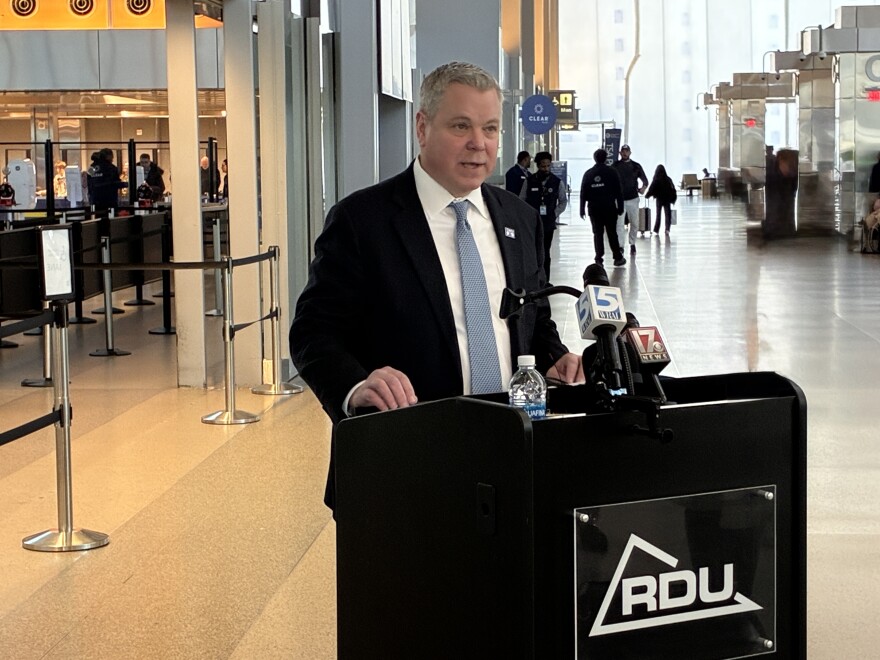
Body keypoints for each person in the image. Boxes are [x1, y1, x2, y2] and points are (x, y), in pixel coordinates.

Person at [290, 61, 583, 510]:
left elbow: (532, 317)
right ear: (422, 128)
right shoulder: (362, 221)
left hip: (511, 461)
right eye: (461, 126)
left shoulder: (519, 219)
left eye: (490, 128)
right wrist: (355, 386)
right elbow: (313, 332)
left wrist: (555, 358)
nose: (478, 143)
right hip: (403, 467)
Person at [525, 151, 567, 280]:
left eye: (548, 166)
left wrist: (554, 214)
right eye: (543, 166)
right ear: (538, 165)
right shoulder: (529, 181)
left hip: (548, 223)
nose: (546, 169)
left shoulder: (557, 182)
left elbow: (563, 201)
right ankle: (533, 279)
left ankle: (545, 279)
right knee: (533, 252)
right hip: (532, 223)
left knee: (545, 251)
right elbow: (522, 200)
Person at [580, 148, 625, 267]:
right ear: (606, 158)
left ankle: (599, 258)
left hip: (594, 208)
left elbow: (583, 192)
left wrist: (582, 209)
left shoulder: (588, 173)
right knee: (612, 232)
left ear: (594, 158)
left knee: (597, 233)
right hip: (609, 207)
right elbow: (619, 191)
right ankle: (617, 257)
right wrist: (620, 207)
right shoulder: (612, 172)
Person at [612, 144, 648, 255]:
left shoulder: (636, 166)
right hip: (620, 199)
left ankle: (632, 243)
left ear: (630, 153)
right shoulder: (615, 166)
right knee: (619, 224)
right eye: (623, 151)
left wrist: (643, 189)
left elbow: (645, 180)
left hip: (633, 198)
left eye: (626, 151)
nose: (625, 153)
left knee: (635, 223)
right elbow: (610, 179)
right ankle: (620, 246)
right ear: (620, 153)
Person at [645, 164, 677, 234]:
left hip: (659, 199)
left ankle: (656, 230)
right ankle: (667, 229)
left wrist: (647, 195)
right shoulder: (668, 179)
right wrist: (673, 199)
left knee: (658, 215)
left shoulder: (656, 179)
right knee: (668, 214)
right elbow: (673, 189)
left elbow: (651, 189)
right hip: (667, 199)